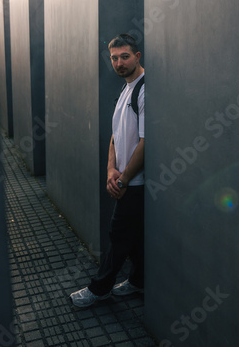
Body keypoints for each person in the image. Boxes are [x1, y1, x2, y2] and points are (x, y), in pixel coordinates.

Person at [70, 33, 145, 308]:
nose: (119, 63)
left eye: (125, 56)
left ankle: (100, 288)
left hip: (136, 184)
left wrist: (123, 179)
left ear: (137, 56)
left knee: (119, 235)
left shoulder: (145, 89)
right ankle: (139, 281)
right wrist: (110, 168)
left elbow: (147, 143)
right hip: (123, 179)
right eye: (114, 58)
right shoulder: (125, 89)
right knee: (134, 235)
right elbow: (116, 135)